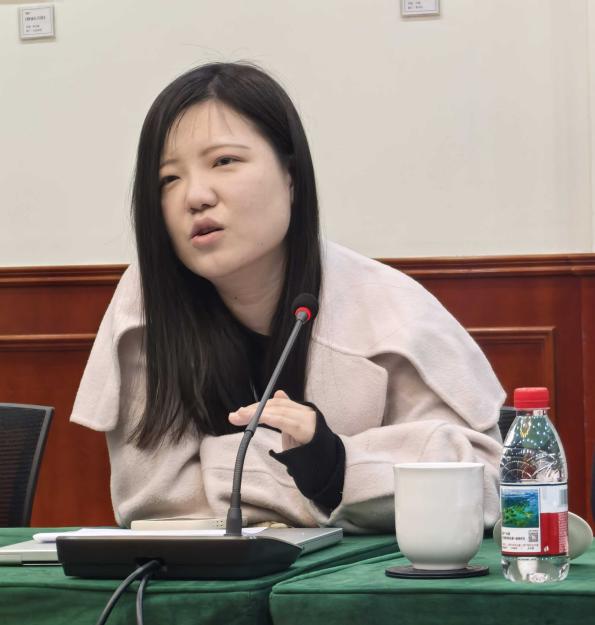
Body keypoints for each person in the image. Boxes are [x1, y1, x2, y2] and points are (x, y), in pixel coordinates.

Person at [71, 62, 505, 532]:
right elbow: (154, 504)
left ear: (291, 176)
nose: (195, 196)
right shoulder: (147, 306)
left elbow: (480, 485)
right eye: (167, 180)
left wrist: (331, 462)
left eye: (224, 161)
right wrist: (339, 479)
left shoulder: (390, 313)